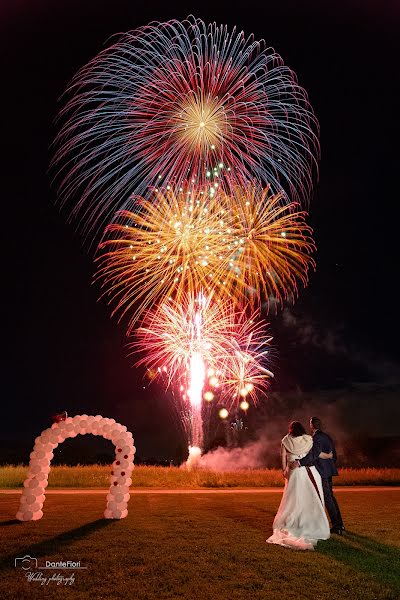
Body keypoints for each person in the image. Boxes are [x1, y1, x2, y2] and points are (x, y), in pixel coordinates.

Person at [267, 421, 332, 550]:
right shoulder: (308, 439)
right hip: (309, 471)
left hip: (294, 472)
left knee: (293, 499)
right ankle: (312, 523)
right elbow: (315, 454)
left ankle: (294, 523)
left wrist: (284, 470)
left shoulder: (286, 440)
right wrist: (328, 455)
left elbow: (283, 457)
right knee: (310, 498)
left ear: (290, 429)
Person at [291, 416, 345, 535]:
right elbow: (333, 455)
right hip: (329, 470)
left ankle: (337, 526)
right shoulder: (327, 437)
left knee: (327, 498)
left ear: (311, 425)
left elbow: (314, 455)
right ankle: (340, 525)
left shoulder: (317, 438)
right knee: (330, 497)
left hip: (323, 472)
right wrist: (328, 461)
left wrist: (299, 462)